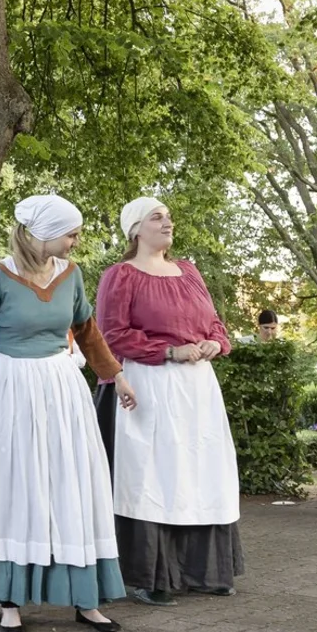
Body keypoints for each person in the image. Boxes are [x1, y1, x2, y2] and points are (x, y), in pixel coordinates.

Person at [0, 194, 134, 632]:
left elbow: (86, 331)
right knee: (18, 485)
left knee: (73, 484)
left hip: (63, 389)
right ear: (44, 235)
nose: (76, 240)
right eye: (71, 233)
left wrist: (116, 376)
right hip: (13, 388)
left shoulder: (72, 275)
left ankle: (85, 599)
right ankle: (10, 601)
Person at [97, 197, 243, 606]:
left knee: (200, 469)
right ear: (135, 230)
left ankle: (203, 570)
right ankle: (149, 574)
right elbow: (111, 334)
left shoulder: (190, 272)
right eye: (156, 217)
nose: (167, 222)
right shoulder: (121, 275)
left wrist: (214, 342)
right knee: (154, 473)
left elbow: (216, 323)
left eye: (168, 216)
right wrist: (169, 351)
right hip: (148, 383)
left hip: (197, 387)